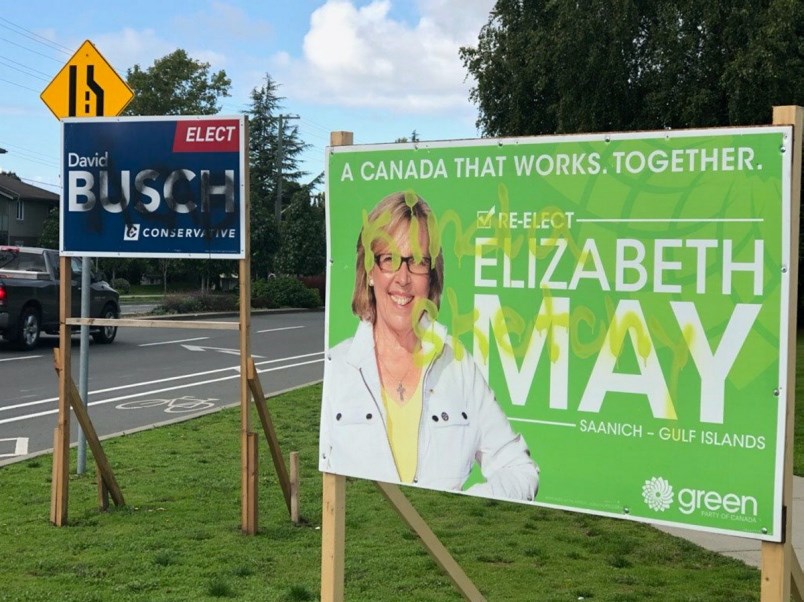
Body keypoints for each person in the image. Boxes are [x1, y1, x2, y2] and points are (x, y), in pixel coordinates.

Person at [319, 191, 539, 501]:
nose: (404, 279)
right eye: (390, 259)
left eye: (419, 261)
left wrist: (456, 510)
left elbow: (519, 470)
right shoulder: (337, 369)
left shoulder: (458, 366)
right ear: (369, 271)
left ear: (431, 276)